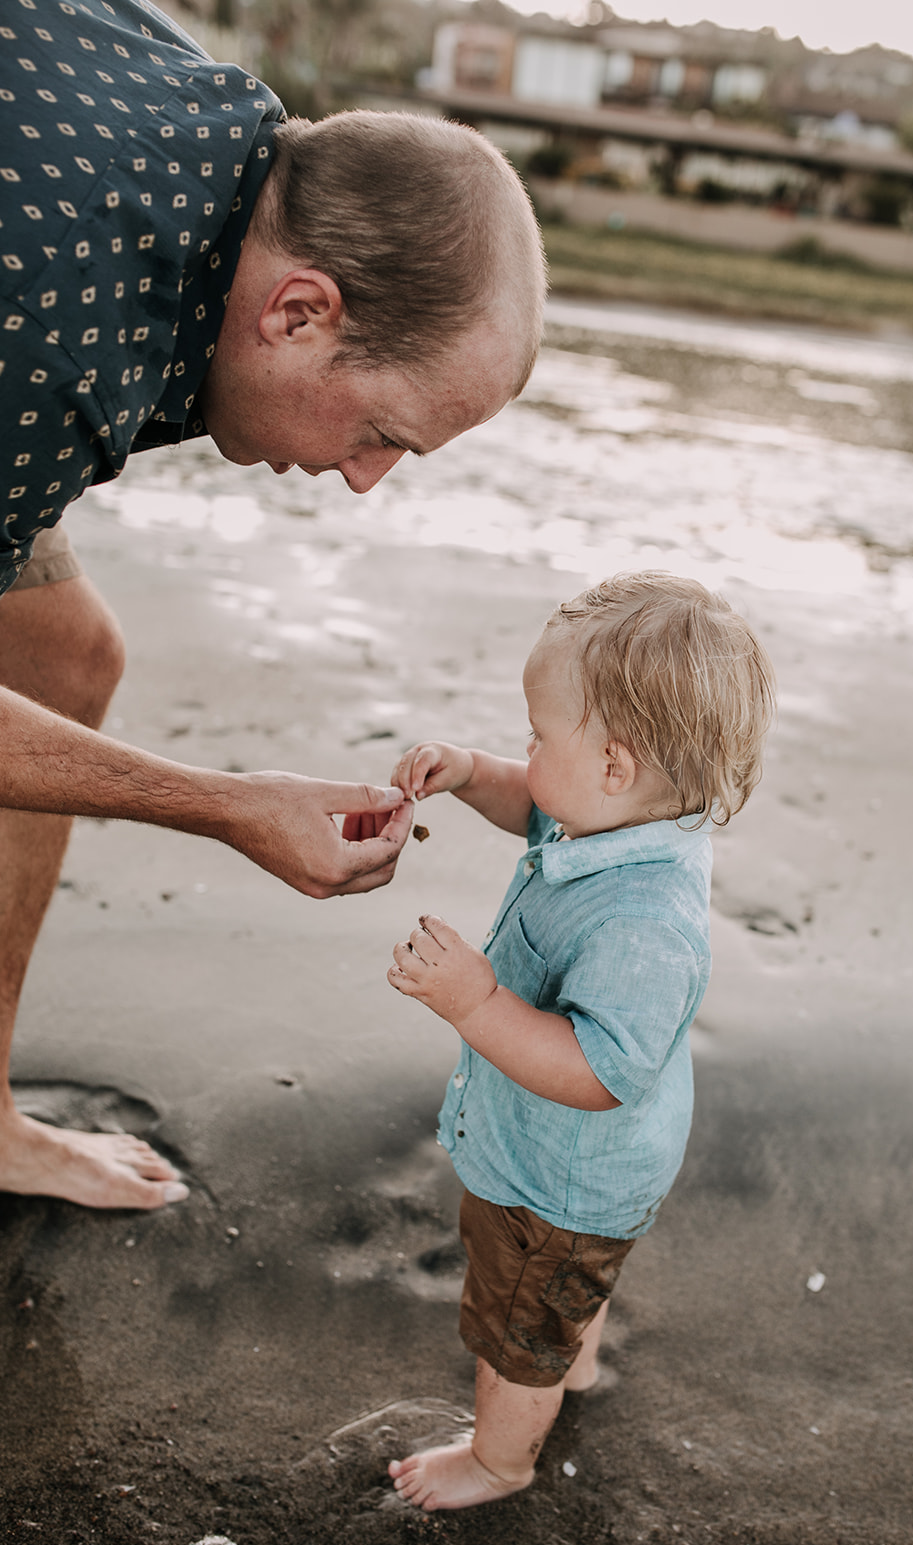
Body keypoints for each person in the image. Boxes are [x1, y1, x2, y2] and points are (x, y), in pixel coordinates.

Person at [0, 0, 547, 1209]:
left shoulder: (225, 152)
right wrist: (226, 805)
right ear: (298, 312)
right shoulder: (55, 337)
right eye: (379, 435)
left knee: (60, 651)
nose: (362, 480)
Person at [385, 571, 776, 1510]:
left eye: (535, 735)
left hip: (558, 1176)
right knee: (562, 1291)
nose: (525, 750)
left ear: (614, 764)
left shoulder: (645, 923)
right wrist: (476, 771)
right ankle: (577, 1356)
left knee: (517, 1328)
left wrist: (474, 1003)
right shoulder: (628, 814)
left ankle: (499, 1460)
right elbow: (538, 801)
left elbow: (600, 1073)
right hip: (581, 1179)